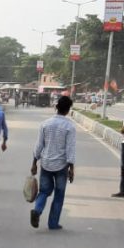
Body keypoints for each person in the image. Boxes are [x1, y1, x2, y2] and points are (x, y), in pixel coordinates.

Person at [30, 95, 76, 231]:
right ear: (68, 110)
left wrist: (34, 162)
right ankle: (53, 223)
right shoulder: (69, 127)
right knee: (59, 194)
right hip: (62, 165)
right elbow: (70, 149)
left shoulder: (45, 124)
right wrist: (71, 168)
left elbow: (39, 145)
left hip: (46, 163)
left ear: (56, 107)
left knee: (44, 191)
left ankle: (37, 210)